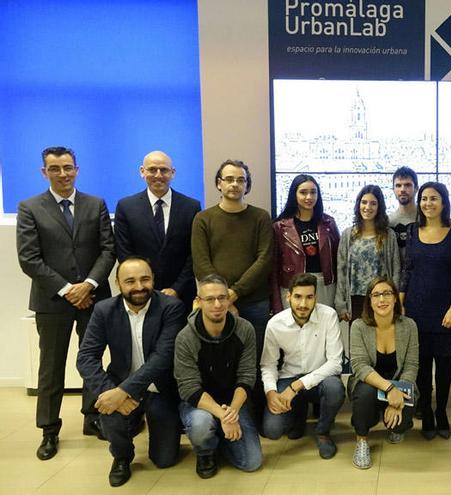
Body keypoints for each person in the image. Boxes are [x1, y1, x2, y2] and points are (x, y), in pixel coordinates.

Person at [16, 146, 116, 460]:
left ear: (77, 169)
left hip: (94, 298)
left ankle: (92, 417)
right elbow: (29, 259)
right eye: (55, 169)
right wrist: (66, 289)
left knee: (93, 361)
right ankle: (49, 431)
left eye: (68, 168)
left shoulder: (95, 204)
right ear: (44, 172)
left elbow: (108, 250)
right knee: (51, 367)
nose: (63, 174)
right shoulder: (30, 207)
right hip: (52, 302)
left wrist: (87, 285)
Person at [76, 257, 187, 486]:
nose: (138, 287)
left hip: (160, 388)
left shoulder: (171, 308)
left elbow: (163, 358)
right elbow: (85, 358)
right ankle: (122, 456)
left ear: (153, 279)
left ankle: (143, 421)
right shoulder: (104, 310)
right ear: (118, 283)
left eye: (145, 279)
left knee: (164, 460)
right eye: (130, 281)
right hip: (119, 385)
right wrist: (112, 392)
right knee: (109, 412)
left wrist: (124, 390)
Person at [191, 159, 273, 420]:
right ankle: (220, 414)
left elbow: (264, 259)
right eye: (229, 179)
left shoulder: (260, 217)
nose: (235, 184)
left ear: (247, 185)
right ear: (219, 183)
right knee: (220, 362)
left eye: (241, 180)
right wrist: (222, 299)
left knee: (256, 361)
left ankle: (255, 415)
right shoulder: (203, 219)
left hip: (255, 303)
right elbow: (201, 262)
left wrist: (232, 294)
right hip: (215, 303)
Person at [174, 274, 262, 478]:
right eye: (210, 299)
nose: (217, 304)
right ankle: (206, 451)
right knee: (201, 425)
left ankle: (220, 436)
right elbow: (189, 388)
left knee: (252, 462)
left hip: (234, 402)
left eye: (222, 298)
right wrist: (224, 416)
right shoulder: (185, 337)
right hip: (200, 404)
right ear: (198, 302)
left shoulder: (244, 329)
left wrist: (231, 411)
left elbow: (247, 376)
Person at [399, 182, 451, 439]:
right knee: (422, 364)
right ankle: (426, 410)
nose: (428, 203)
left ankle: (442, 411)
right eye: (424, 198)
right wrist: (401, 303)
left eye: (434, 198)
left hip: (445, 307)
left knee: (444, 363)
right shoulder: (412, 230)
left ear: (443, 202)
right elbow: (407, 270)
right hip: (416, 306)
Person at [261, 273, 345, 459]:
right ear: (288, 296)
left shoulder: (328, 316)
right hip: (289, 377)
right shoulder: (275, 324)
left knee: (335, 388)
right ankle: (297, 416)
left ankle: (323, 432)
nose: (303, 304)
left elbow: (335, 363)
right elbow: (268, 365)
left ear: (316, 297)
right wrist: (270, 392)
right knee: (272, 431)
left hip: (320, 379)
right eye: (298, 297)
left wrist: (296, 386)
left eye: (309, 297)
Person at [347, 277, 419, 469]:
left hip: (399, 384)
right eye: (376, 295)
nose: (382, 300)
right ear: (369, 301)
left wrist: (398, 397)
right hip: (369, 385)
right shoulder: (358, 326)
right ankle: (361, 441)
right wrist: (390, 389)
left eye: (387, 293)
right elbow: (360, 366)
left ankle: (396, 425)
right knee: (364, 393)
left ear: (395, 298)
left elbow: (411, 366)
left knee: (400, 421)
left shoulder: (409, 325)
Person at [114, 151, 202, 304]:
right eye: (152, 170)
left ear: (172, 173)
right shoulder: (126, 207)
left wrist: (176, 288)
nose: (158, 175)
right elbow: (124, 252)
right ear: (142, 171)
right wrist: (145, 285)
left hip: (182, 295)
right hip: (140, 293)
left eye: (164, 170)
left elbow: (194, 253)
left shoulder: (191, 206)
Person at [270, 174, 340, 312]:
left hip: (324, 285)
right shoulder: (279, 227)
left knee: (322, 329)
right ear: (294, 195)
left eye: (313, 192)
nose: (309, 197)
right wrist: (276, 303)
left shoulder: (329, 223)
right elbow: (274, 268)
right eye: (303, 192)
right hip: (292, 286)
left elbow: (339, 261)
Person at [335, 185, 401, 322]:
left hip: (381, 299)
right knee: (358, 341)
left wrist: (395, 300)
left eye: (373, 203)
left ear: (379, 207)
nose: (368, 207)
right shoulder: (348, 235)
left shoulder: (388, 235)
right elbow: (341, 271)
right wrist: (341, 304)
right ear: (358, 204)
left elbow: (395, 270)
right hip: (355, 300)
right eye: (364, 202)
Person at [388, 167, 418, 258]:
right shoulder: (387, 222)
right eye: (398, 185)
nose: (402, 189)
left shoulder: (427, 219)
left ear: (416, 188)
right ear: (393, 189)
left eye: (407, 185)